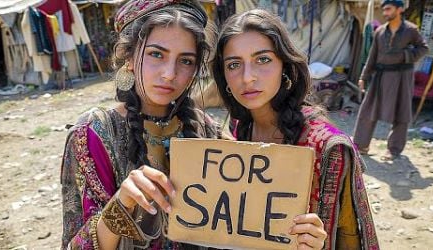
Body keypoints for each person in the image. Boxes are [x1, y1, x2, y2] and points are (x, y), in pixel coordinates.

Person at [61, 1, 325, 249]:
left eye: (186, 61)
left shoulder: (206, 131)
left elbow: (247, 227)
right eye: (156, 54)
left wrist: (300, 234)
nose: (169, 73)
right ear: (128, 58)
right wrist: (122, 204)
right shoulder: (93, 135)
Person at [212, 9, 379, 250]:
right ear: (224, 76)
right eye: (234, 64)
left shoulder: (328, 148)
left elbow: (352, 239)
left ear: (285, 66)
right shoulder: (239, 128)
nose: (247, 77)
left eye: (263, 59)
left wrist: (317, 243)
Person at [354, 0, 428, 160]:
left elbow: (423, 48)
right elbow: (372, 56)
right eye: (384, 10)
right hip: (380, 76)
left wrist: (405, 56)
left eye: (389, 9)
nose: (385, 13)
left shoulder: (410, 30)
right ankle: (361, 146)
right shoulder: (380, 31)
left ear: (399, 9)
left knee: (401, 112)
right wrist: (363, 77)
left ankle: (393, 149)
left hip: (402, 76)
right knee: (367, 109)